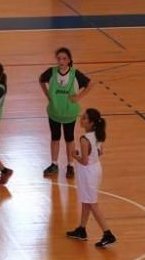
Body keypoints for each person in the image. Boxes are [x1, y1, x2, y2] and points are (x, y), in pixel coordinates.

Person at [65, 108, 117, 248]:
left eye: (85, 118)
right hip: (96, 169)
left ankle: (108, 233)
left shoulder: (84, 139)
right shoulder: (98, 135)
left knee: (92, 203)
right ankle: (82, 229)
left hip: (87, 172)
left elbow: (84, 161)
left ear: (91, 123)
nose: (81, 119)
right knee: (86, 201)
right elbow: (100, 152)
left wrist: (74, 154)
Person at [40, 47, 92, 179]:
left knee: (69, 139)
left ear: (69, 60)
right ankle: (54, 164)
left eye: (64, 58)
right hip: (54, 112)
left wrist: (78, 97)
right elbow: (41, 79)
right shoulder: (51, 72)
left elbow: (90, 84)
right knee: (55, 138)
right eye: (59, 59)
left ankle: (70, 165)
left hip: (69, 113)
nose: (61, 61)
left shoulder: (75, 74)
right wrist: (47, 95)